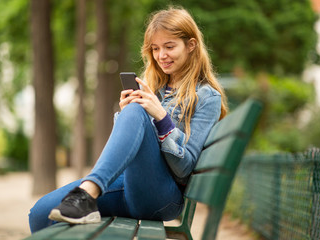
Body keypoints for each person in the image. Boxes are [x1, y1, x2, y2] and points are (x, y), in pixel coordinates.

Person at [29, 6, 228, 233]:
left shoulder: (207, 97)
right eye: (155, 48)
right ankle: (87, 194)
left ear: (191, 45)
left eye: (169, 46)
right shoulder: (153, 87)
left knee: (136, 110)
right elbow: (131, 151)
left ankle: (88, 193)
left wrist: (160, 117)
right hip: (127, 186)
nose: (161, 55)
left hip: (162, 197)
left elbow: (185, 168)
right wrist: (126, 114)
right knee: (40, 214)